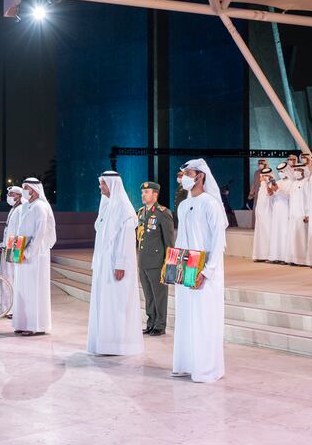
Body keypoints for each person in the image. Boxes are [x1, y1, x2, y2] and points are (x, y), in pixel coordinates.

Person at [172, 158, 227, 383]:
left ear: (200, 176)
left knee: (204, 319)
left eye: (188, 172)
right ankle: (187, 364)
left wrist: (207, 271)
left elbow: (218, 241)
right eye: (183, 173)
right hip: (185, 269)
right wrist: (175, 268)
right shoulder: (184, 205)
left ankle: (206, 369)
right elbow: (181, 239)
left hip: (205, 272)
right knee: (186, 317)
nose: (183, 177)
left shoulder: (210, 203)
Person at [86, 171, 144, 355]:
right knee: (104, 303)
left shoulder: (123, 207)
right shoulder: (106, 205)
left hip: (116, 265)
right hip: (103, 264)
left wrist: (120, 264)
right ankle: (104, 343)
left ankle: (118, 344)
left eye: (103, 183)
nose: (100, 187)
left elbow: (126, 240)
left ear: (112, 184)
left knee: (116, 303)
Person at [12, 177, 56, 336]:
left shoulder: (40, 207)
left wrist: (28, 252)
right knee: (22, 289)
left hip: (36, 255)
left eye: (26, 187)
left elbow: (40, 234)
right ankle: (22, 323)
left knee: (34, 290)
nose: (24, 190)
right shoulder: (26, 207)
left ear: (35, 190)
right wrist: (17, 251)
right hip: (22, 252)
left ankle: (35, 325)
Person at [136, 181, 175, 336]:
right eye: (142, 193)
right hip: (143, 261)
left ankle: (160, 324)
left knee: (159, 296)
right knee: (148, 295)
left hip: (158, 262)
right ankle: (151, 322)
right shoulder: (140, 212)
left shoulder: (163, 213)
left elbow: (169, 241)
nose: (143, 195)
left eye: (146, 192)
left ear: (155, 194)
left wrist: (169, 263)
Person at [0, 186, 25, 316]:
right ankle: (6, 307)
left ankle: (11, 309)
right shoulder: (13, 209)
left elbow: (19, 231)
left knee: (11, 278)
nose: (9, 196)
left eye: (11, 194)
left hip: (15, 244)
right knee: (6, 277)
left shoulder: (21, 209)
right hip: (9, 245)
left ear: (19, 196)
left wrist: (14, 247)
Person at [285, 163, 310, 266]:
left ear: (303, 171)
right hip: (293, 213)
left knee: (301, 237)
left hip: (301, 214)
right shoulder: (293, 183)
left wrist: (307, 214)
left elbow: (308, 199)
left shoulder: (306, 182)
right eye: (295, 169)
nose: (296, 172)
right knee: (293, 236)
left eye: (299, 169)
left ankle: (302, 259)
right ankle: (294, 258)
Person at [268, 162, 291, 264]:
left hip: (285, 209)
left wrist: (278, 190)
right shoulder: (278, 181)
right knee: (276, 232)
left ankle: (284, 257)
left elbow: (288, 196)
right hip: (277, 210)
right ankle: (275, 256)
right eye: (279, 172)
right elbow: (272, 196)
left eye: (282, 171)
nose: (281, 173)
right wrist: (271, 191)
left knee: (284, 232)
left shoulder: (291, 182)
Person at [252, 167, 273, 261]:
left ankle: (268, 255)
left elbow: (271, 194)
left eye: (265, 175)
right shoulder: (261, 186)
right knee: (260, 235)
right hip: (260, 214)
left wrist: (267, 182)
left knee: (267, 233)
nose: (262, 177)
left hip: (268, 214)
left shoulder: (271, 184)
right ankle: (259, 255)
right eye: (262, 175)